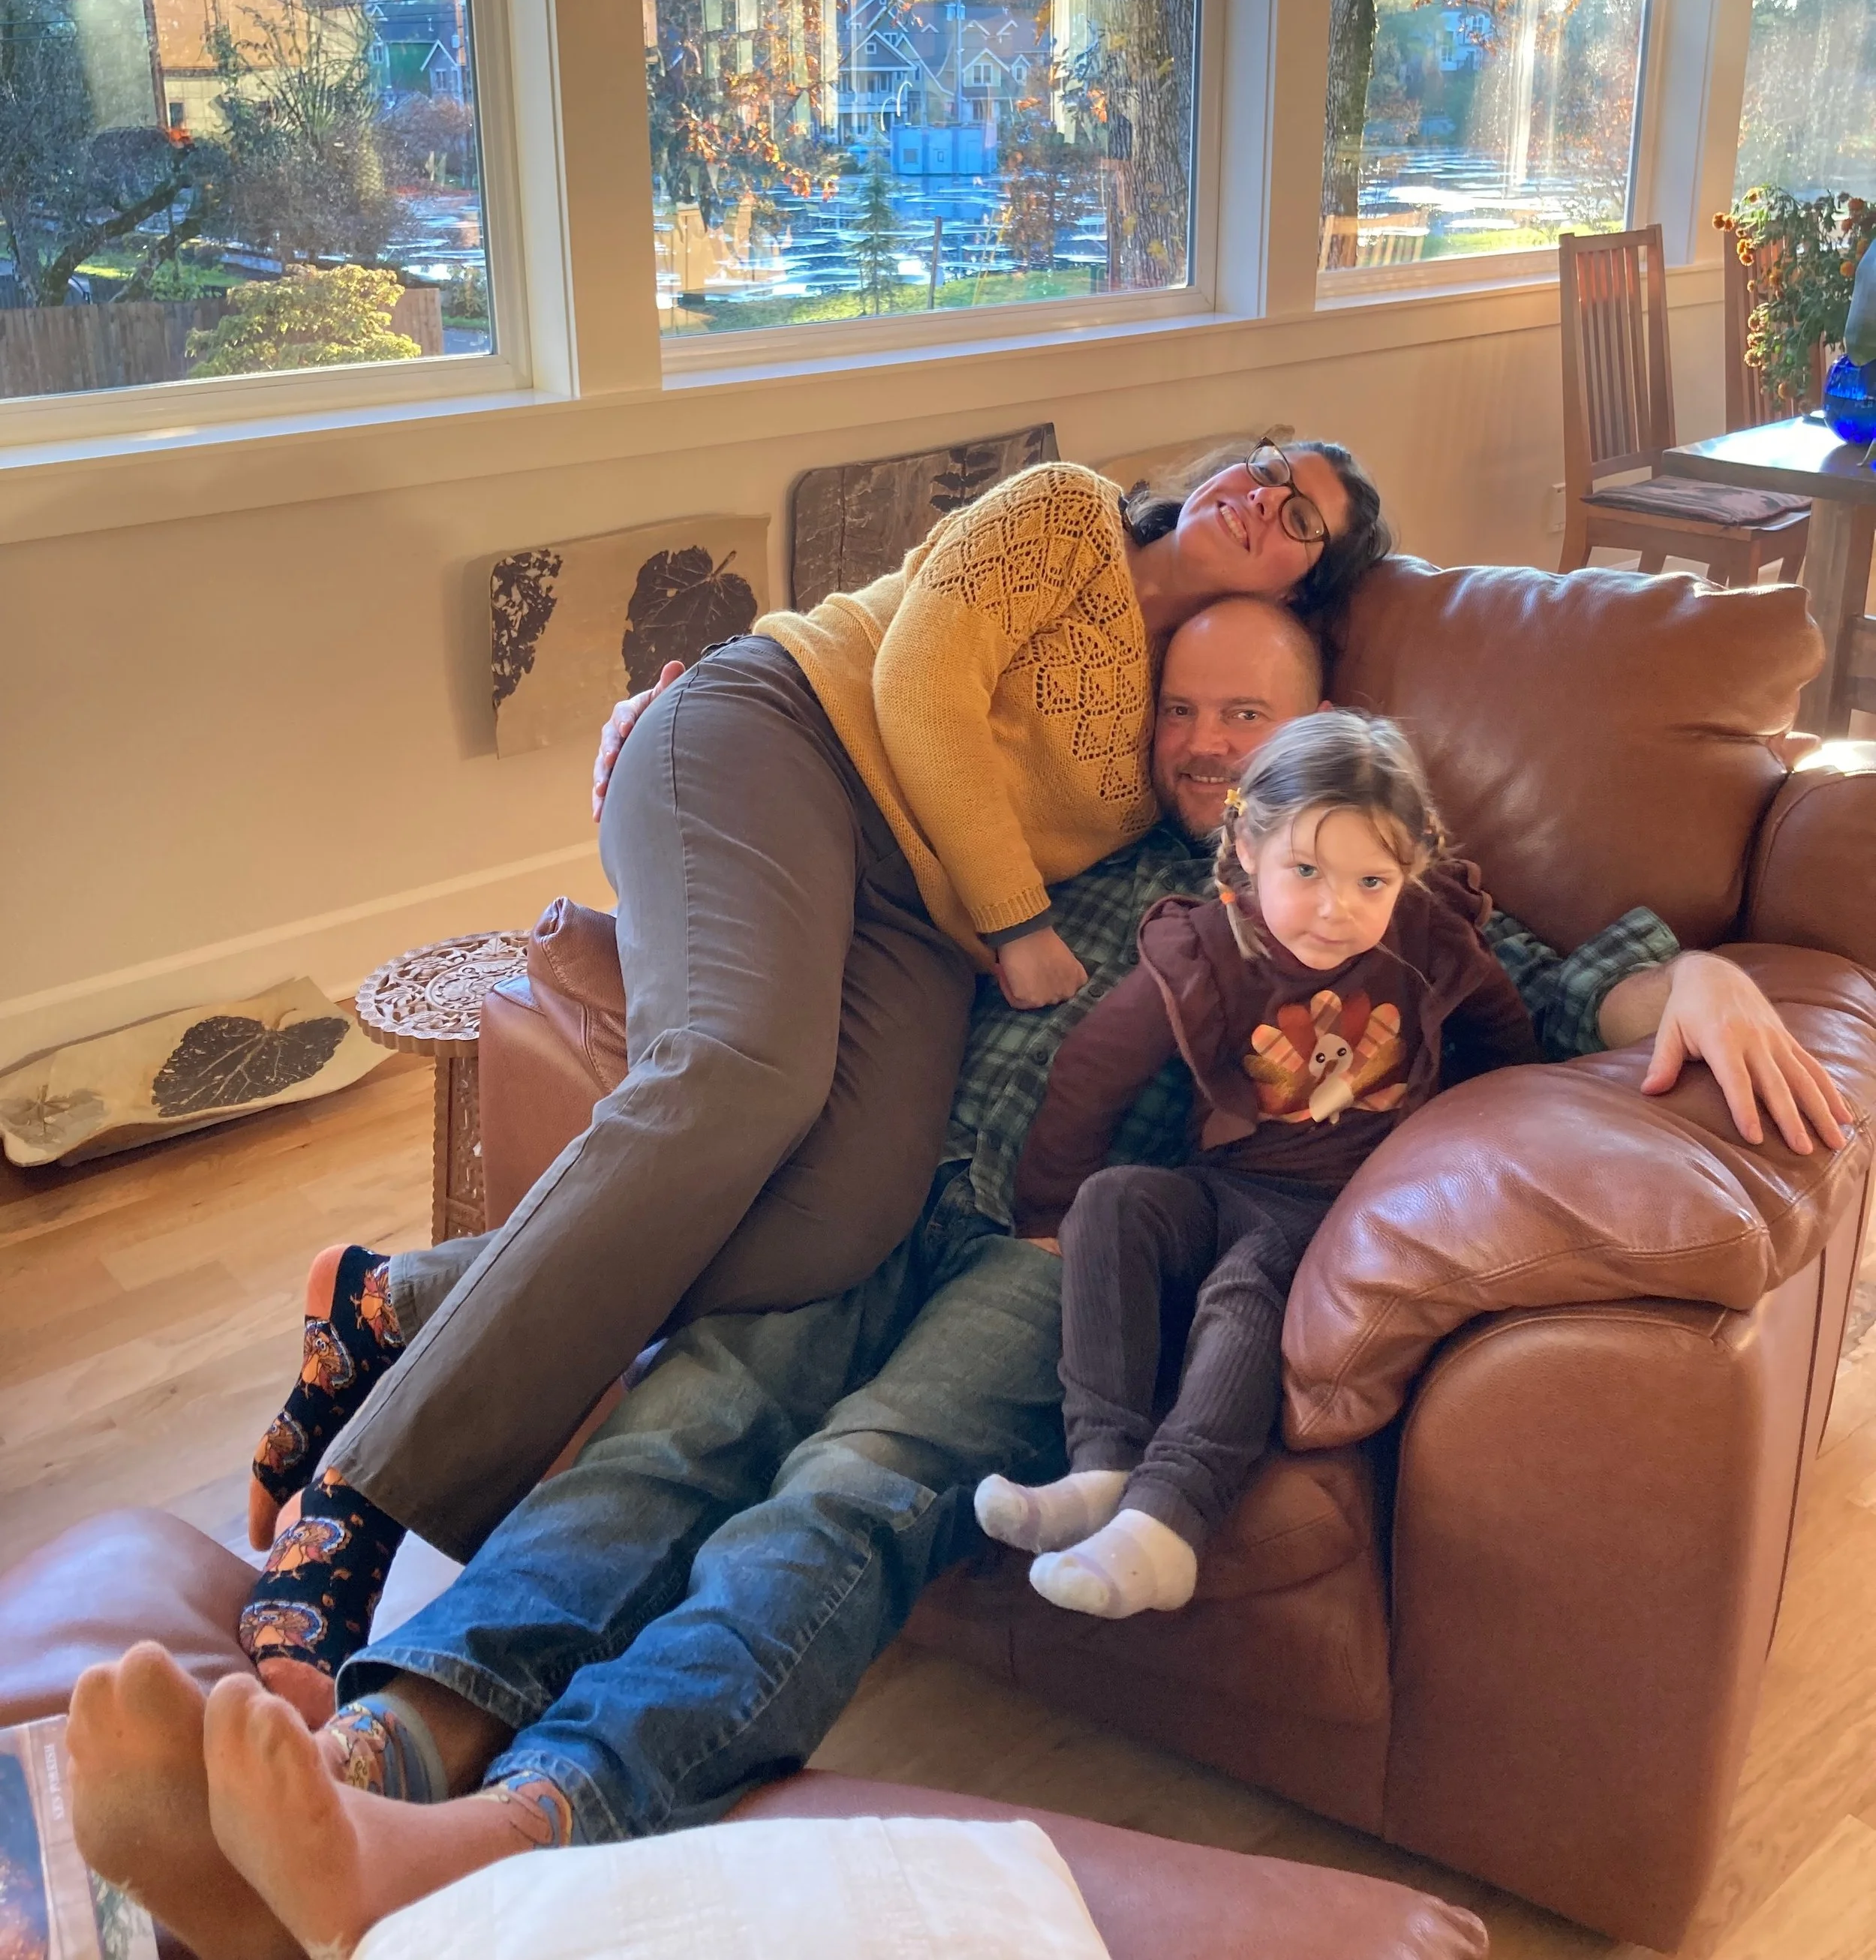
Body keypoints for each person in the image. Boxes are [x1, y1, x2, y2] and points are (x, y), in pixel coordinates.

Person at [66, 596, 1850, 1960]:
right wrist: (659, 741)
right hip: (874, 1204)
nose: (1211, 737)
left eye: (1255, 710)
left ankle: (524, 1824)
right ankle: (388, 1747)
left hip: (1059, 1267)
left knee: (838, 1498)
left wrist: (1682, 986)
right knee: (669, 1435)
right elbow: (853, 778)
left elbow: (1549, 967)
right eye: (1186, 707)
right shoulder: (1069, 835)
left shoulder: (1351, 875)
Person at [240, 443, 1389, 1702]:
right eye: (1261, 463)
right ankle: (355, 1504)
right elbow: (918, 679)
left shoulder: (1196, 720)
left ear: (1306, 586)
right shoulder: (1072, 510)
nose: (1250, 494)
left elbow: (1331, 858)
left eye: (1295, 516)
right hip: (783, 735)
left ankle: (391, 1299)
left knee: (846, 1223)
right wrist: (1014, 922)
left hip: (905, 911)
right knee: (740, 1076)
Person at [976, 711, 1535, 1618]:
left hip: (1352, 1209)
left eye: (1370, 880)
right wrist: (1045, 1214)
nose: (1334, 907)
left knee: (1250, 1280)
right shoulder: (1211, 949)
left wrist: (1476, 1162)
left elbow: (1507, 1042)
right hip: (1228, 1184)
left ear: (1410, 873)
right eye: (1305, 872)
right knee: (1115, 1200)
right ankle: (1102, 1468)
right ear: (1245, 846)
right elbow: (1090, 1072)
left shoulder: (1428, 940)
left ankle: (1168, 1520)